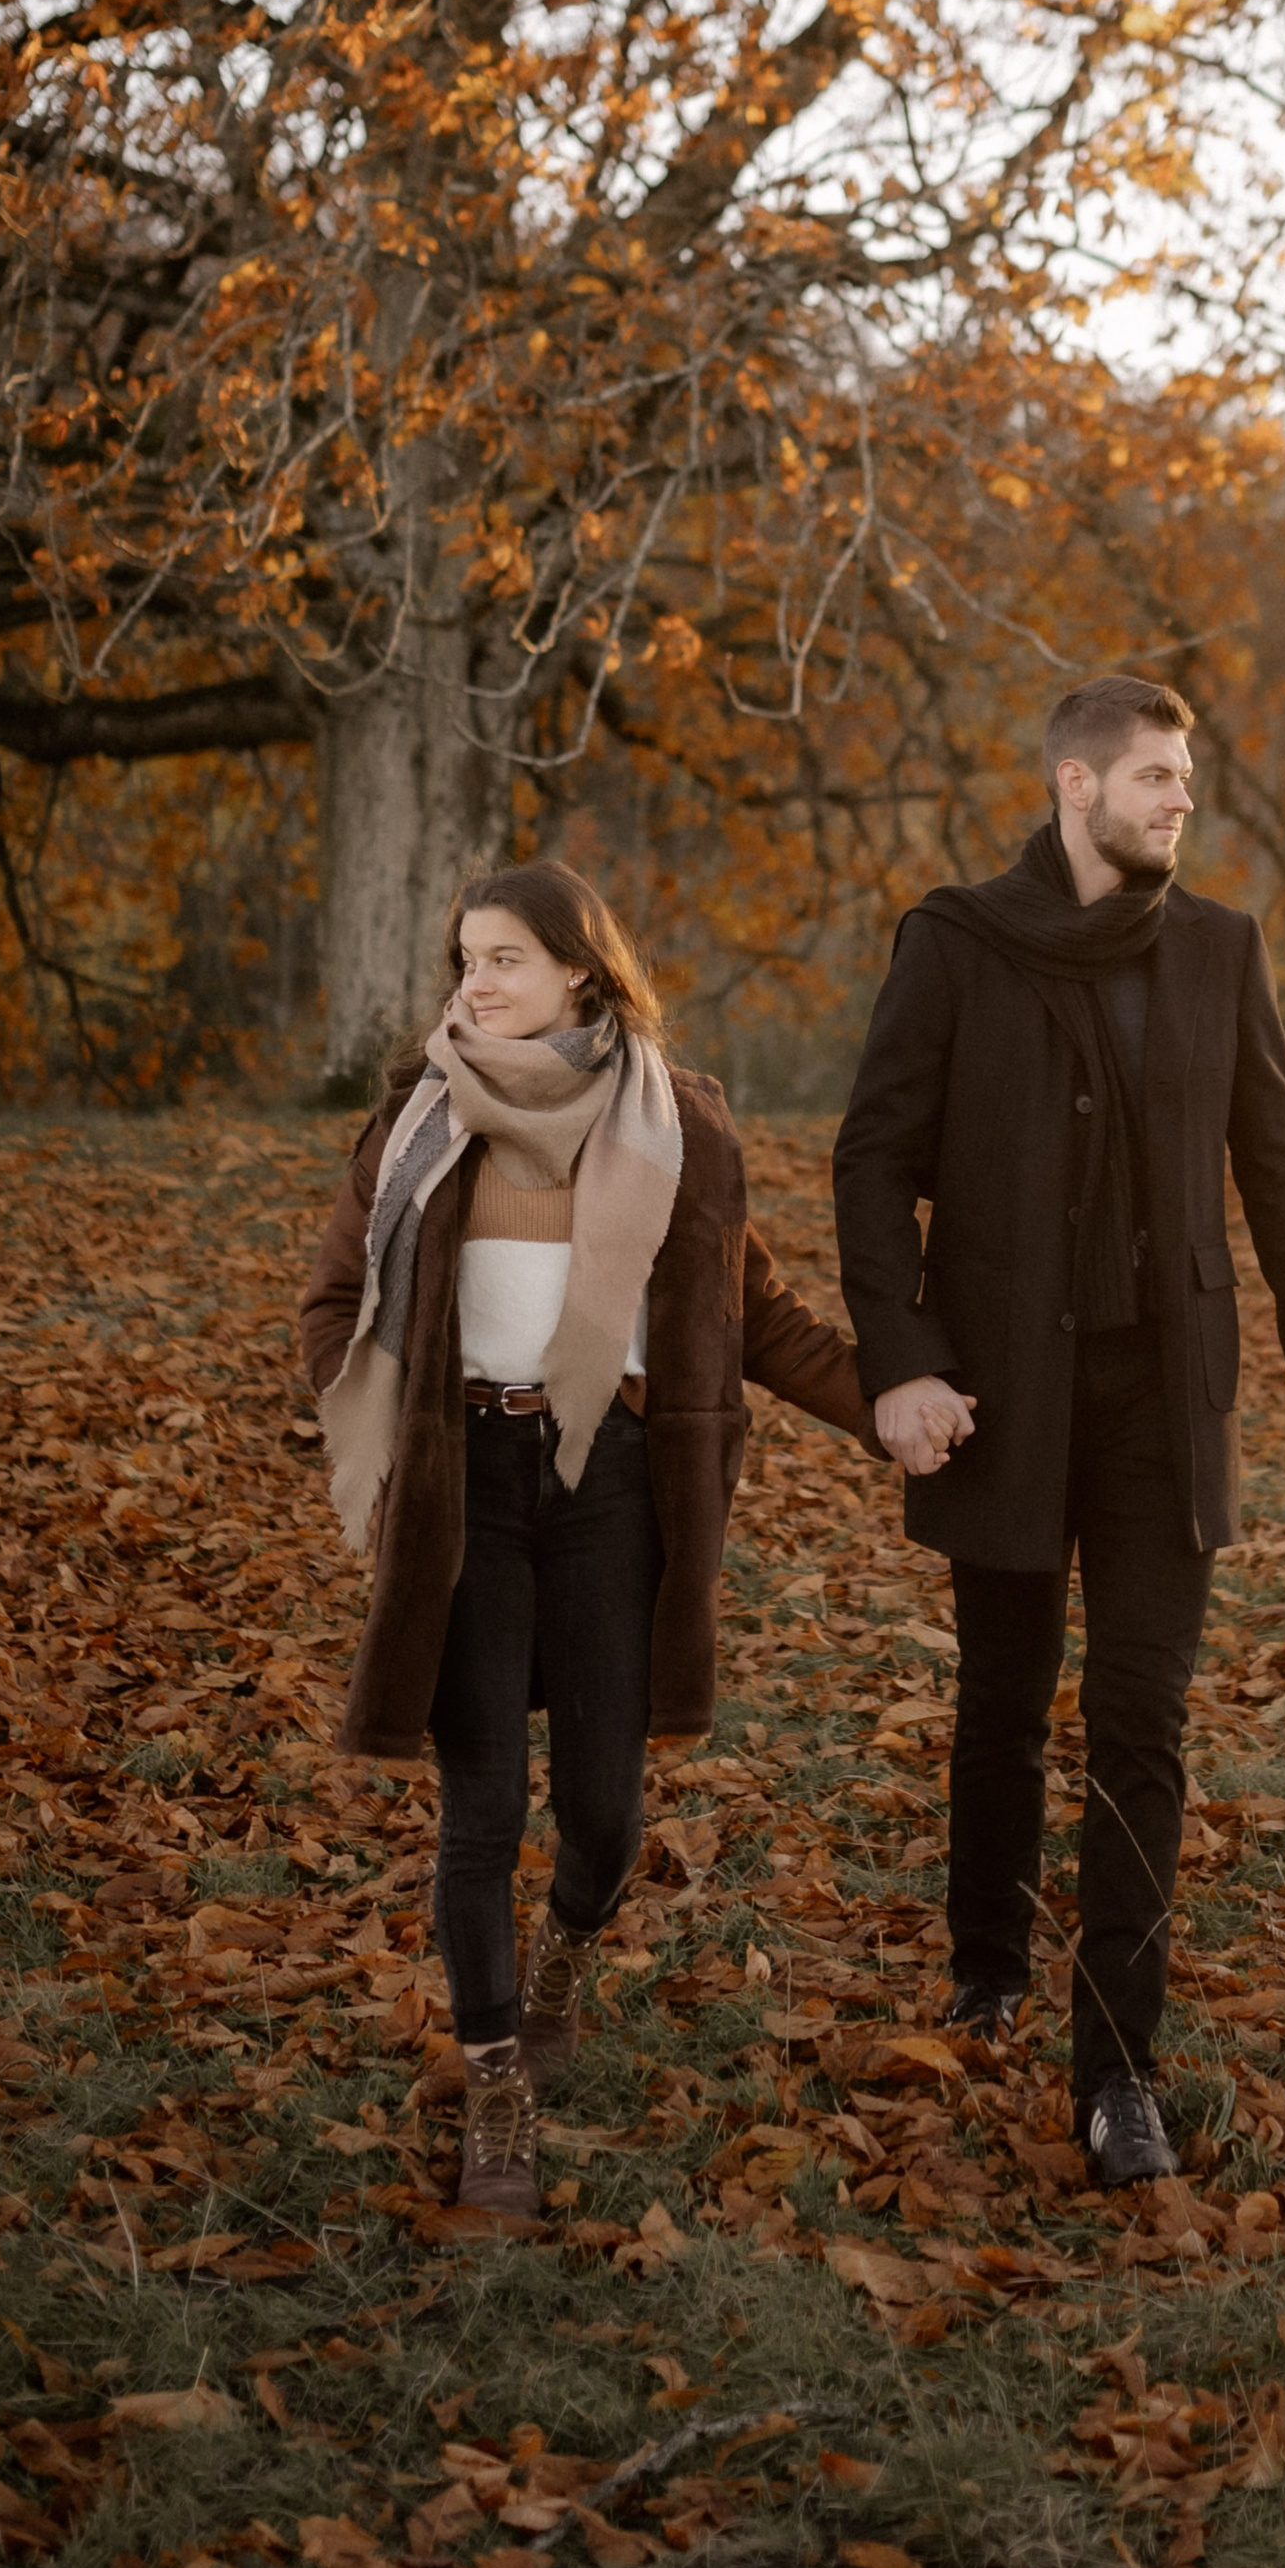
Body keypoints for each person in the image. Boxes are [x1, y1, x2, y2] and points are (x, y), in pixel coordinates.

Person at [831, 674, 1285, 2189]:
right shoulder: (957, 945)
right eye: (1155, 780)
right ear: (1075, 788)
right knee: (1003, 1694)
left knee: (1142, 1723)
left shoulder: (1216, 952)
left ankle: (1119, 2071)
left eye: (1187, 779)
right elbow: (873, 1164)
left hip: (1164, 1399)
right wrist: (900, 1364)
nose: (1182, 801)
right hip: (1002, 1390)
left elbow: (1282, 1168)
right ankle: (986, 1956)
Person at [301, 862, 875, 2217]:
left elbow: (761, 1319)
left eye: (504, 958)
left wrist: (888, 1405)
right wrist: (375, 1427)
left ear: (579, 969)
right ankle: (496, 2072)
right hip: (465, 1484)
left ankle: (566, 1945)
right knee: (482, 1806)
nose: (477, 984)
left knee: (604, 1818)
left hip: (615, 1484)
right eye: (466, 960)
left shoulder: (679, 1127)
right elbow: (334, 1300)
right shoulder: (419, 1121)